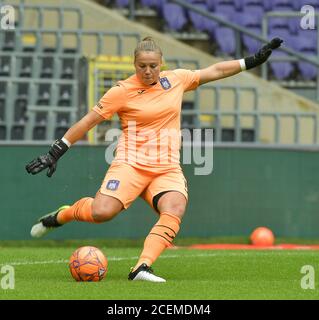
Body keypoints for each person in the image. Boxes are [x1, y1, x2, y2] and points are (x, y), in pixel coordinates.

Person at [26, 36, 283, 282]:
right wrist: (56, 150)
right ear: (134, 64)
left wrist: (251, 61)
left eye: (153, 66)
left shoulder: (176, 79)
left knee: (174, 208)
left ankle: (142, 267)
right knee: (102, 212)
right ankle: (63, 214)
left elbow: (215, 70)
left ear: (162, 64)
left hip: (166, 168)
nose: (148, 71)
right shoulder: (121, 91)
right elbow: (88, 121)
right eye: (142, 66)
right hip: (130, 165)